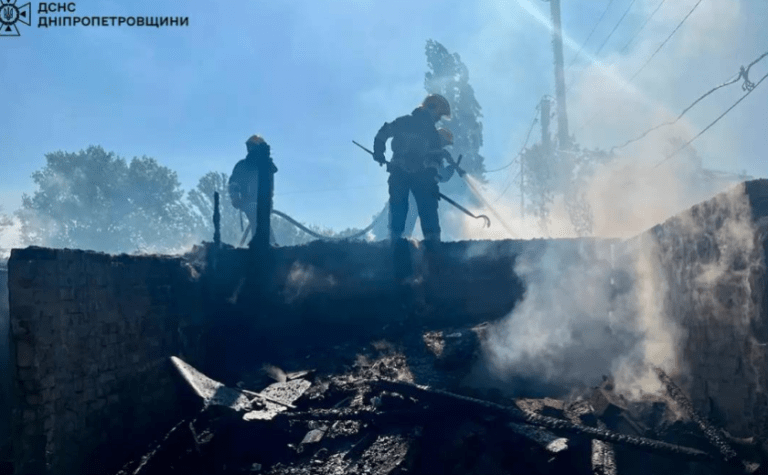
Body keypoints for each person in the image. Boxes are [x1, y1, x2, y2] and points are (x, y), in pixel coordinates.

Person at [372, 93, 452, 243]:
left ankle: (402, 242)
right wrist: (379, 152)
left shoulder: (410, 125)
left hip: (411, 174)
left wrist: (379, 153)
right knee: (409, 209)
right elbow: (383, 134)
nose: (438, 119)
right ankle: (430, 245)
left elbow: (435, 159)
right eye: (438, 115)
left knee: (405, 209)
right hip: (404, 172)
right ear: (431, 108)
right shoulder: (416, 127)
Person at [228, 135, 278, 249]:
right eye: (249, 147)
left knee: (262, 222)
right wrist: (235, 197)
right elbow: (233, 183)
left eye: (252, 147)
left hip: (265, 203)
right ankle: (264, 243)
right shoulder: (242, 166)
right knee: (256, 215)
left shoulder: (266, 165)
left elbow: (269, 185)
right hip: (247, 201)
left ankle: (269, 244)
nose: (250, 150)